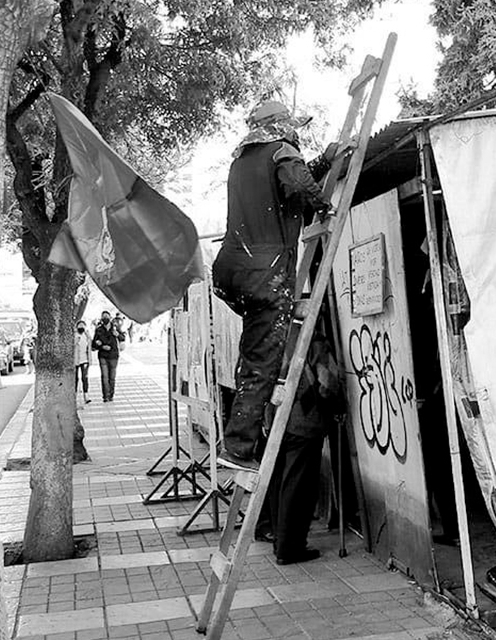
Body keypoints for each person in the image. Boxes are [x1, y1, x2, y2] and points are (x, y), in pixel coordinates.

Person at [212, 100, 331, 471]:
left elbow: (281, 185)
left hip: (235, 271)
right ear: (280, 125)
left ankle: (238, 438)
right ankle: (238, 447)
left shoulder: (242, 161)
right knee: (264, 361)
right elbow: (295, 183)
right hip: (267, 272)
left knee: (254, 352)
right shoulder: (283, 150)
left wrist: (323, 164)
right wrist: (322, 204)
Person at [266, 329, 340, 564]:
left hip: (277, 418)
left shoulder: (271, 333)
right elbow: (327, 382)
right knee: (299, 487)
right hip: (304, 420)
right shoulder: (312, 338)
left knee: (282, 482)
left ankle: (280, 541)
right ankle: (290, 548)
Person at [91, 311, 125, 401]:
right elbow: (93, 344)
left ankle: (111, 395)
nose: (105, 318)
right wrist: (100, 345)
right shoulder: (99, 329)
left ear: (110, 317)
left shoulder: (115, 328)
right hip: (103, 355)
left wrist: (117, 334)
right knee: (104, 376)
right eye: (103, 317)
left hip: (113, 355)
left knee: (112, 377)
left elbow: (123, 338)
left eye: (107, 316)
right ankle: (106, 396)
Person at [74, 320, 91, 405]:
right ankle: (75, 396)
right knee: (75, 378)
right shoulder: (74, 335)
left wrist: (90, 360)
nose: (81, 327)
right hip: (75, 360)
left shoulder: (86, 335)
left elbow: (90, 347)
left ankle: (86, 395)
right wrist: (75, 341)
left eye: (83, 326)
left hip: (85, 360)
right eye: (79, 326)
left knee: (85, 377)